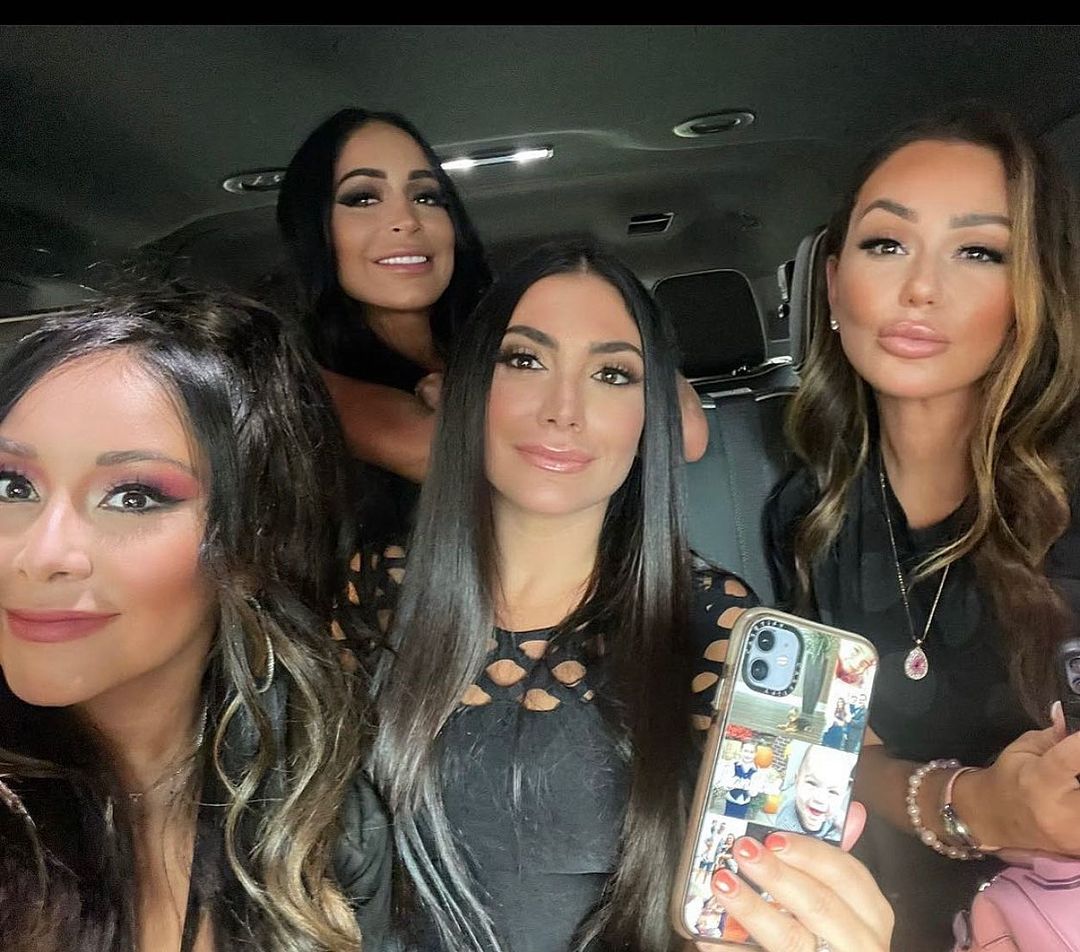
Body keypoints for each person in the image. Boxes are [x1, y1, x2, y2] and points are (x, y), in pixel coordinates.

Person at [357, 240, 892, 952]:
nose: (564, 409)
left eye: (612, 374)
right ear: (469, 388)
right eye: (524, 360)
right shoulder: (369, 593)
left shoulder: (712, 626)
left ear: (650, 419)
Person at [766, 103, 1080, 947]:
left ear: (1030, 293)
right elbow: (835, 756)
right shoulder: (808, 513)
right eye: (886, 244)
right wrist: (970, 806)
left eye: (979, 252)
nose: (921, 288)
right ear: (833, 285)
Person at [0, 289, 391, 951]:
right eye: (12, 486)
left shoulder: (320, 825)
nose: (39, 556)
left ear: (252, 544)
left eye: (133, 496)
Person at [276, 109, 708, 538]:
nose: (407, 220)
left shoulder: (509, 326)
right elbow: (468, 464)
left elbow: (686, 434)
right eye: (362, 198)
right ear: (315, 229)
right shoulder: (302, 382)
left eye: (427, 197)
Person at [773, 744, 856, 841]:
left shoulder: (833, 812)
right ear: (797, 780)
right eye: (812, 783)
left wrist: (841, 822)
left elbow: (837, 815)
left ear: (843, 794)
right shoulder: (786, 827)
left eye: (833, 792)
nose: (820, 799)